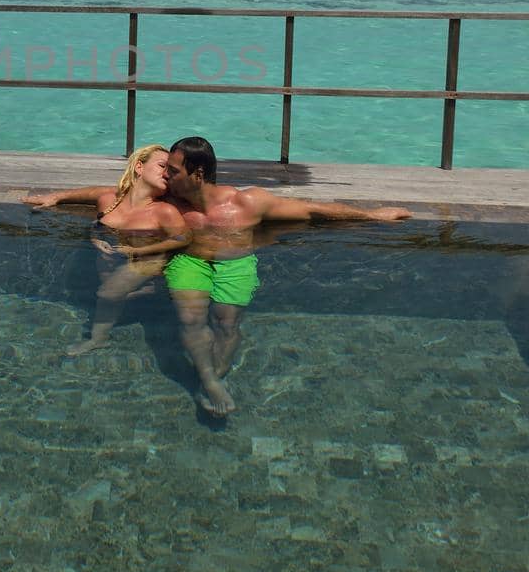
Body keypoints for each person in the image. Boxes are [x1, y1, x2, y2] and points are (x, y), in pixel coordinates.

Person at [163, 135, 412, 417]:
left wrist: (374, 216)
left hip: (235, 262)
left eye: (173, 171)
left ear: (197, 174)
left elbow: (311, 210)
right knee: (190, 317)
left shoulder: (246, 203)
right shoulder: (168, 203)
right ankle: (210, 382)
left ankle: (212, 379)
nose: (165, 175)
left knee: (226, 324)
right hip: (190, 260)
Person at [22, 144, 190, 355]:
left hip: (148, 258)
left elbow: (184, 238)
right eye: (162, 166)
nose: (167, 173)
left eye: (170, 170)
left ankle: (150, 293)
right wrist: (57, 197)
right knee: (108, 292)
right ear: (139, 167)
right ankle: (103, 333)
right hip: (117, 258)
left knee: (108, 293)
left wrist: (139, 251)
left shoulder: (164, 211)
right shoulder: (110, 200)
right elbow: (92, 193)